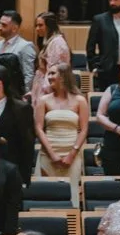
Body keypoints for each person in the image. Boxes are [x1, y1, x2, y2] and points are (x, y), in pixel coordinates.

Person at [33, 62, 91, 192]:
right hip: (48, 154)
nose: (49, 77)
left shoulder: (80, 100)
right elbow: (38, 128)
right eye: (49, 74)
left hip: (72, 155)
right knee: (46, 193)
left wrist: (72, 154)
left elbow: (84, 129)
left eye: (53, 73)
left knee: (70, 193)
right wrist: (52, 155)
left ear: (64, 76)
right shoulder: (43, 100)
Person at [0, 10, 38, 93]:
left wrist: (23, 95)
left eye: (4, 25)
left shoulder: (25, 46)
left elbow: (29, 74)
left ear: (14, 28)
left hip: (15, 94)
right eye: (0, 24)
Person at [34, 10, 73, 83]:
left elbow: (54, 72)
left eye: (40, 25)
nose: (37, 29)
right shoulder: (49, 41)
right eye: (36, 25)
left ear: (50, 26)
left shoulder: (57, 43)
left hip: (53, 85)